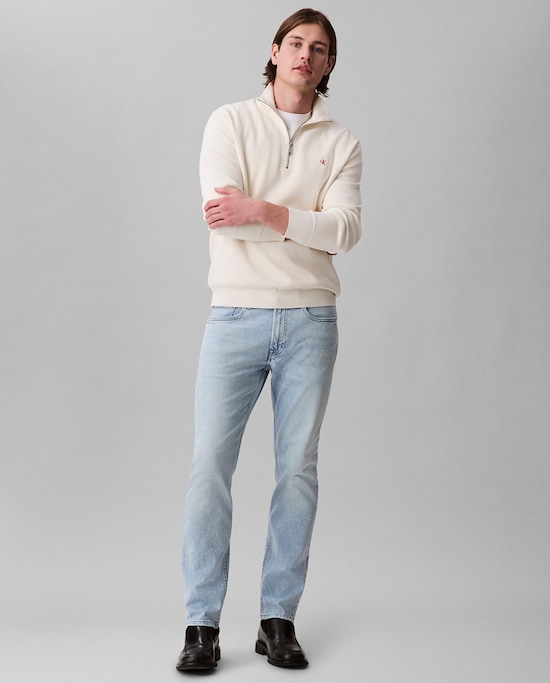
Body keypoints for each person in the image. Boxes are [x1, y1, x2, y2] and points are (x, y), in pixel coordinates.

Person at [176, 7, 362, 672]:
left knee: (298, 472)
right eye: (296, 43)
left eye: (320, 49)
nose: (306, 56)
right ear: (275, 51)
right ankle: (201, 624)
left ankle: (277, 619)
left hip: (312, 319)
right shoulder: (229, 122)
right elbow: (223, 217)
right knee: (209, 466)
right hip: (235, 314)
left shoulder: (342, 142)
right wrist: (299, 222)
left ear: (329, 64)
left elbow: (345, 231)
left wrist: (262, 209)